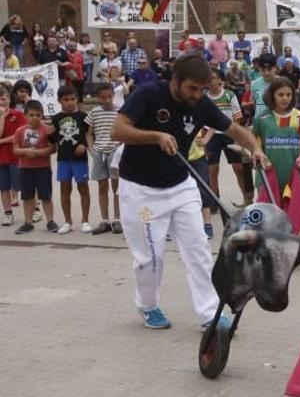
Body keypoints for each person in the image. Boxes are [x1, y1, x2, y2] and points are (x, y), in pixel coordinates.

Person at [111, 53, 268, 330]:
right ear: (176, 80)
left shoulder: (201, 104)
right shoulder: (149, 93)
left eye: (203, 89)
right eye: (192, 88)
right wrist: (155, 136)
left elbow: (233, 129)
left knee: (198, 248)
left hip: (181, 184)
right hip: (141, 189)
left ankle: (210, 313)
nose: (198, 94)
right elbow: (118, 130)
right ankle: (148, 305)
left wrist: (254, 148)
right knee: (151, 258)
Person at [252, 76, 300, 202]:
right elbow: (254, 145)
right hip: (268, 173)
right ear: (272, 95)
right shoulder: (261, 118)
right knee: (269, 214)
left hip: (294, 173)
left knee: (293, 213)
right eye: (280, 94)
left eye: (289, 94)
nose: (285, 98)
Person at [50, 85, 91, 235]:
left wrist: (85, 145)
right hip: (63, 160)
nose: (69, 102)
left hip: (80, 160)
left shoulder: (84, 117)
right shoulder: (55, 119)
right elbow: (53, 140)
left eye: (72, 99)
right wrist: (48, 133)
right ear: (59, 101)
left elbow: (91, 136)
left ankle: (85, 221)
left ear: (77, 99)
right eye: (66, 100)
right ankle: (68, 222)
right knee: (65, 189)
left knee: (83, 188)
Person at [205, 70, 248, 212]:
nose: (211, 81)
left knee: (238, 168)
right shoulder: (204, 98)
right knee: (212, 169)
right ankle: (214, 200)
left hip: (229, 134)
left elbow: (237, 117)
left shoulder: (229, 95)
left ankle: (246, 199)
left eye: (214, 78)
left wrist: (236, 138)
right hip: (212, 136)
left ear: (220, 80)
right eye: (209, 79)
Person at [13, 100, 57, 234]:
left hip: (43, 168)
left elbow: (53, 149)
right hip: (25, 168)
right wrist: (26, 152)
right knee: (27, 196)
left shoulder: (46, 130)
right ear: (25, 115)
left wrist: (37, 152)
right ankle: (28, 222)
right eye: (31, 115)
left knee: (46, 196)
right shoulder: (20, 131)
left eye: (38, 115)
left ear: (42, 115)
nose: (35, 118)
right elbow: (15, 150)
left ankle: (50, 221)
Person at [86, 83, 123, 235]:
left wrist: (121, 148)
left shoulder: (120, 111)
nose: (107, 100)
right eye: (103, 97)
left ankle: (117, 219)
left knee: (117, 187)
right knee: (102, 187)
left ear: (113, 95)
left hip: (115, 151)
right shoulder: (94, 112)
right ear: (98, 98)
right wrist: (91, 147)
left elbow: (124, 131)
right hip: (99, 152)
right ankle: (105, 220)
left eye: (109, 96)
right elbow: (89, 133)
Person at [0, 88, 24, 226]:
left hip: (16, 157)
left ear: (9, 99)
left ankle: (34, 209)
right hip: (2, 158)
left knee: (23, 185)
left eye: (3, 99)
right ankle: (8, 213)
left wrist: (2, 141)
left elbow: (18, 135)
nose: (1, 102)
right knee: (3, 187)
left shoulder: (18, 115)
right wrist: (2, 117)